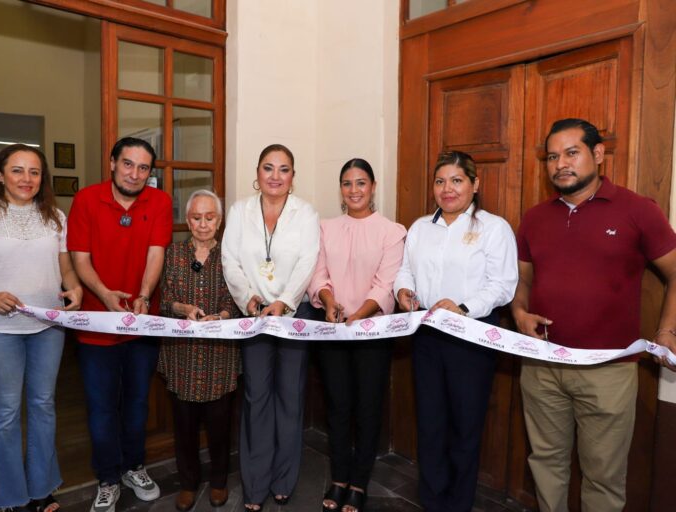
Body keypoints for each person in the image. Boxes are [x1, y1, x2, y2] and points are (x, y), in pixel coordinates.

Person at [511, 118, 676, 512]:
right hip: (543, 365)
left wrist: (666, 331)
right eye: (552, 156)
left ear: (598, 154)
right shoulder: (534, 218)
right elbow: (522, 281)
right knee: (546, 463)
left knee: (603, 476)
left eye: (572, 153)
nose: (560, 164)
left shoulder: (638, 210)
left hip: (609, 371)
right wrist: (519, 313)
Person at [0, 144, 83, 512]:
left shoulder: (55, 217)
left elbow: (66, 269)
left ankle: (42, 488)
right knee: (6, 411)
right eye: (17, 170)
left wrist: (73, 287)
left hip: (48, 327)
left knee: (43, 406)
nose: (26, 179)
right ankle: (10, 497)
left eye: (34, 172)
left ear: (42, 178)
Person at [394, 150, 518, 512]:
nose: (447, 189)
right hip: (427, 338)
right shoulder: (420, 228)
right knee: (430, 426)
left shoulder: (493, 228)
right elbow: (406, 270)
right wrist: (403, 290)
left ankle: (458, 505)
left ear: (475, 184)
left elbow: (502, 286)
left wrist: (463, 308)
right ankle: (432, 503)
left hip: (472, 339)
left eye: (457, 180)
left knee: (465, 429)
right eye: (440, 181)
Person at [67, 137, 173, 512]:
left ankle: (134, 467)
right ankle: (108, 478)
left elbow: (156, 252)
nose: (135, 173)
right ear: (112, 163)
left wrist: (144, 294)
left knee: (137, 403)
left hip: (142, 324)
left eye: (143, 167)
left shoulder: (159, 201)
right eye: (128, 164)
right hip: (97, 324)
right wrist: (104, 295)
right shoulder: (86, 200)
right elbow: (80, 258)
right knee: (101, 407)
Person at [221, 144, 320, 511]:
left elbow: (308, 261)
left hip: (293, 317)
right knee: (256, 398)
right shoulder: (239, 211)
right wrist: (248, 298)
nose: (275, 176)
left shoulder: (305, 213)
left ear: (293, 177)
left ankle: (283, 479)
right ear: (257, 172)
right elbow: (230, 260)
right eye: (268, 168)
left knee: (289, 399)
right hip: (254, 317)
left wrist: (286, 301)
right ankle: (255, 484)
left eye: (284, 169)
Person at [307, 158, 406, 512]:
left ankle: (360, 482)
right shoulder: (325, 228)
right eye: (347, 184)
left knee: (367, 408)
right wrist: (330, 302)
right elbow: (318, 276)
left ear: (373, 186)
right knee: (338, 407)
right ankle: (338, 478)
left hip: (372, 335)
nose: (354, 190)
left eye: (361, 183)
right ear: (341, 190)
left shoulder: (392, 231)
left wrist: (359, 317)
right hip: (332, 331)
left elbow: (386, 284)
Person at [157, 189, 240, 511]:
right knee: (185, 428)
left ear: (219, 221)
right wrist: (183, 308)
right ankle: (188, 483)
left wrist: (222, 315)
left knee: (220, 428)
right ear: (187, 219)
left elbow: (238, 298)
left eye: (210, 218)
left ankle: (219, 481)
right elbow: (164, 300)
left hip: (220, 355)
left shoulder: (231, 256)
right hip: (182, 354)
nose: (203, 224)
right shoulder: (172, 253)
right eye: (196, 217)